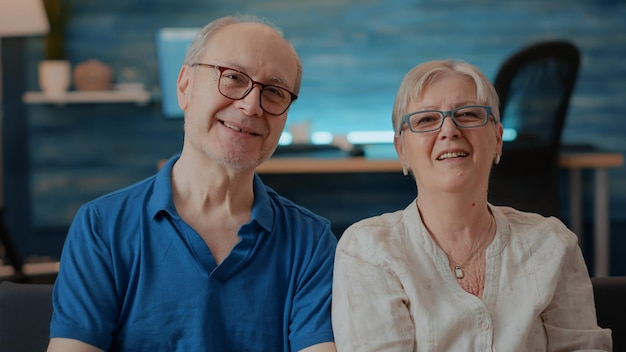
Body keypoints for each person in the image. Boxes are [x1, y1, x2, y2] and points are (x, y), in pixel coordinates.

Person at [47, 15, 337, 352]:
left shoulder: (312, 242)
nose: (250, 105)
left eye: (273, 91)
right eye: (232, 77)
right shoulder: (102, 227)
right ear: (185, 86)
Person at [331, 59, 612, 351]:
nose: (449, 130)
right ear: (402, 150)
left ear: (498, 139)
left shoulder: (552, 245)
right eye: (426, 120)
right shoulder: (369, 251)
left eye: (467, 114)